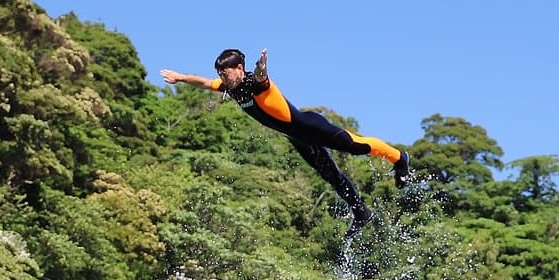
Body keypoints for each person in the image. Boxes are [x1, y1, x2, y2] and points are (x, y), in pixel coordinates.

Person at [160, 48, 410, 240]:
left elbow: (261, 77)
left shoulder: (254, 83)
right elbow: (203, 82)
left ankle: (399, 158)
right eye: (220, 75)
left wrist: (261, 66)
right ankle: (360, 212)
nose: (221, 78)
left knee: (357, 146)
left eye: (224, 73)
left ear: (238, 68)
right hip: (298, 138)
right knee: (331, 176)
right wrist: (180, 78)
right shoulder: (231, 88)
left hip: (310, 127)